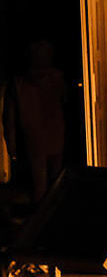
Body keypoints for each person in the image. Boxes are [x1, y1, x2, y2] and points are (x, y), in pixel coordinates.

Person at [9, 40, 66, 202]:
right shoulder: (56, 78)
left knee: (40, 186)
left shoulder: (19, 84)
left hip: (35, 140)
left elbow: (9, 120)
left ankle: (43, 217)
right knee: (54, 183)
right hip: (53, 137)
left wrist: (12, 148)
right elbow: (65, 101)